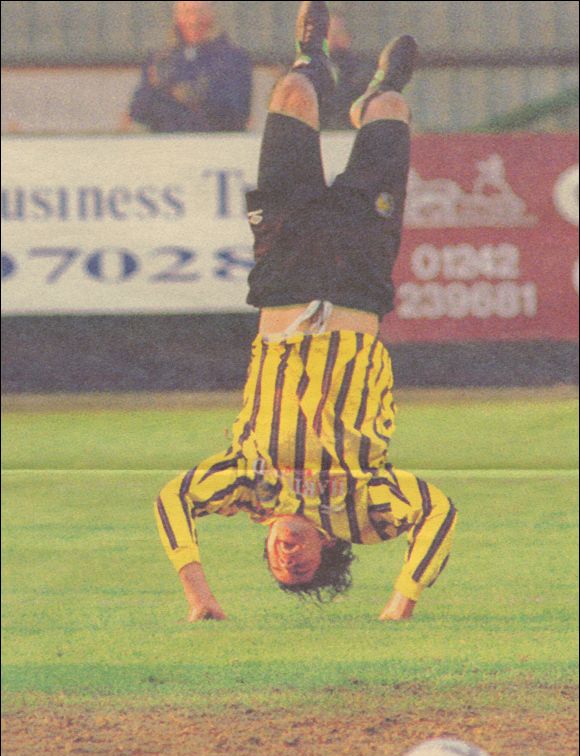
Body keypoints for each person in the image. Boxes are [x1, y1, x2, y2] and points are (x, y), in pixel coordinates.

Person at [155, 1, 457, 622]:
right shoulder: (368, 507)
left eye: (276, 562)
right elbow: (439, 515)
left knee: (291, 93)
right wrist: (400, 603)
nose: (287, 555)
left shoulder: (246, 486)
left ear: (265, 543)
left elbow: (171, 499)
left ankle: (312, 58)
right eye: (301, 564)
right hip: (355, 281)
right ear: (331, 547)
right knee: (393, 112)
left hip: (285, 278)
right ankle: (375, 90)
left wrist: (200, 596)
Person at [128, 1, 252, 133]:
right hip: (168, 146)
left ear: (212, 16)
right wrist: (156, 88)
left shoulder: (234, 59)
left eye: (200, 12)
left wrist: (195, 97)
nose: (194, 20)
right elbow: (138, 114)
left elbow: (237, 113)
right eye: (187, 12)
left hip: (215, 145)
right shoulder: (159, 59)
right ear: (177, 18)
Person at [324, 12, 375, 130]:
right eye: (325, 33)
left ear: (347, 37)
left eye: (336, 33)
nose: (331, 38)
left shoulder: (362, 72)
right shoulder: (305, 69)